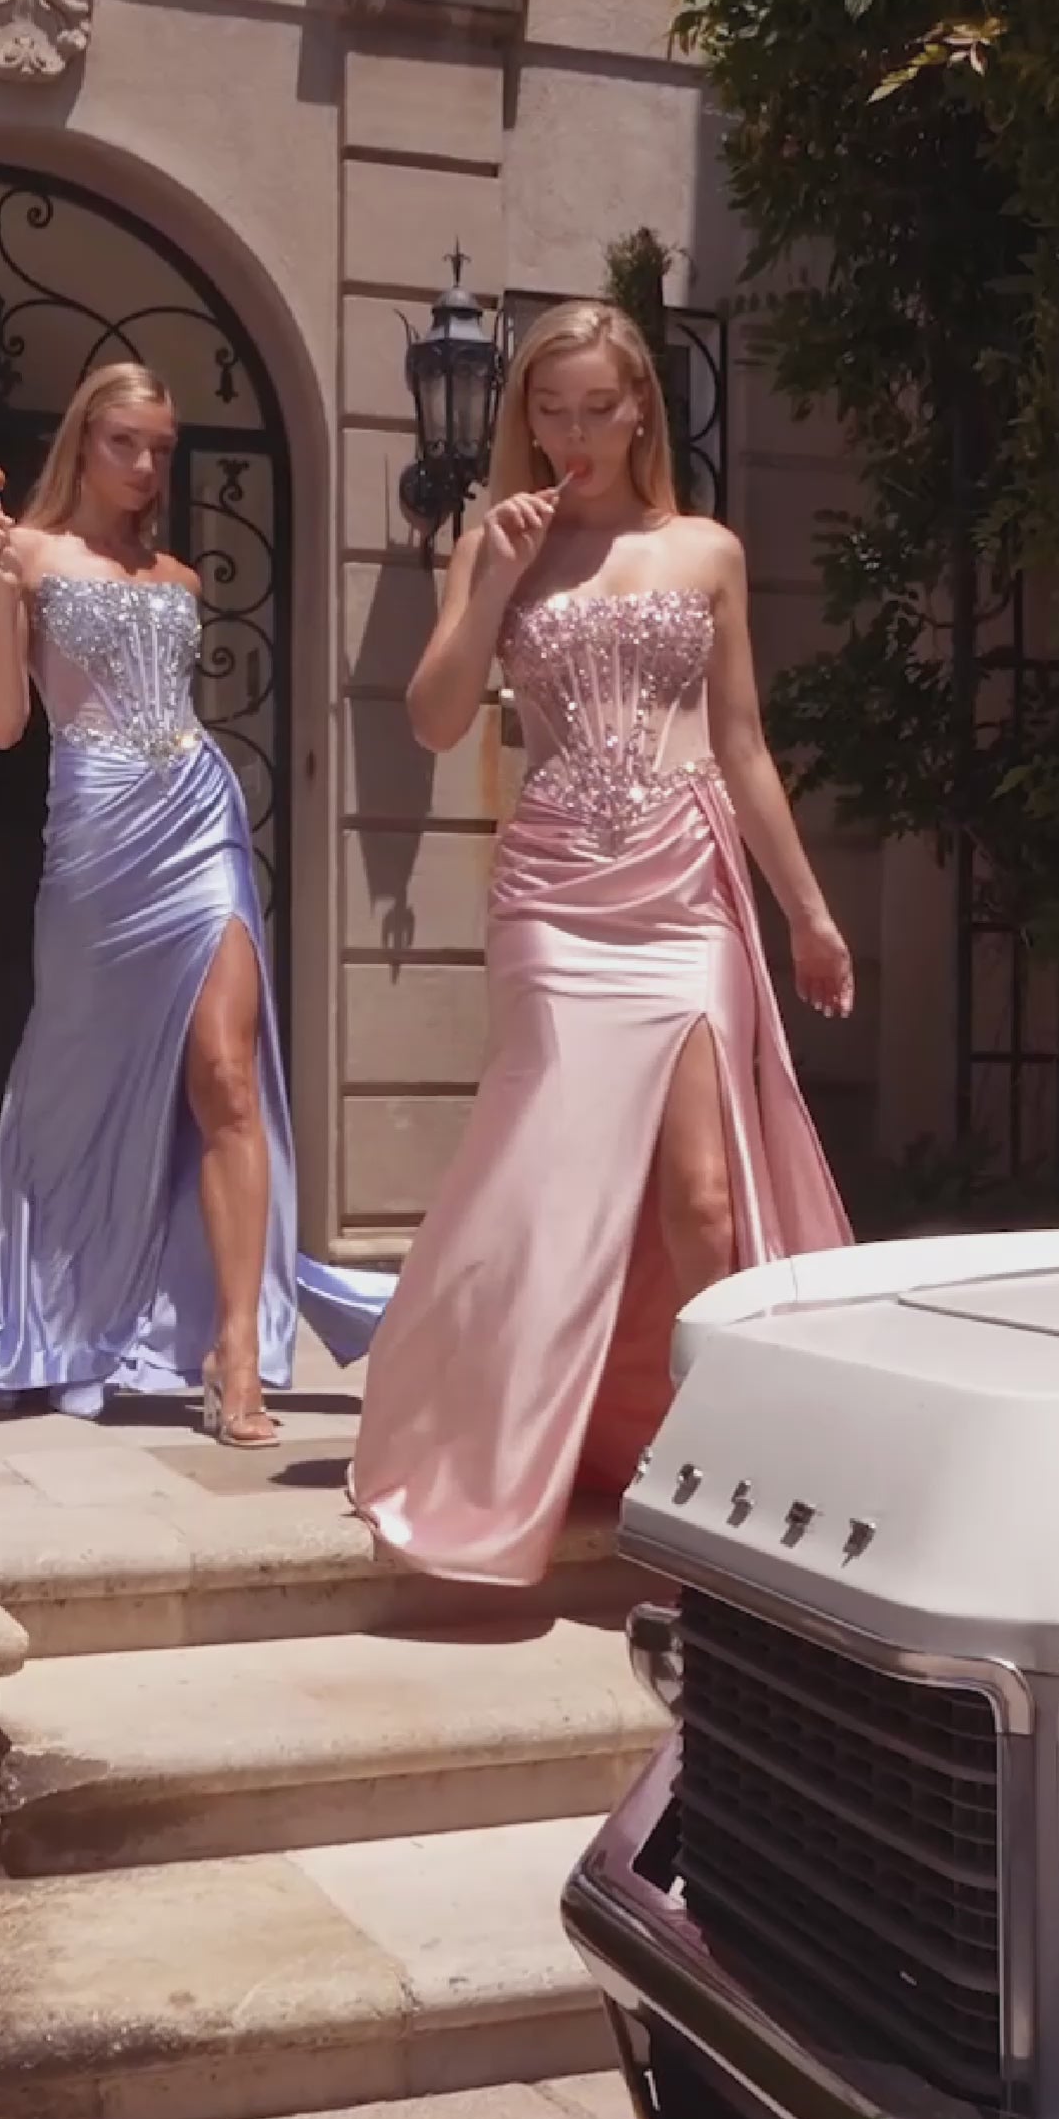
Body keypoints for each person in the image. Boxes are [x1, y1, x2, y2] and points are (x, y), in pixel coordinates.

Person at [349, 299, 854, 1586]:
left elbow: (742, 746)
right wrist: (494, 581)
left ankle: (711, 1465)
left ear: (641, 412)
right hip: (556, 898)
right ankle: (487, 1428)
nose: (572, 433)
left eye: (596, 408)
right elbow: (434, 719)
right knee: (545, 1186)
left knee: (706, 1196)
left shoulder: (707, 550)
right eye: (549, 410)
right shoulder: (494, 543)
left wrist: (805, 910)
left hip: (686, 888)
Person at [0, 361, 298, 1444]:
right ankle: (49, 1309)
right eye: (124, 444)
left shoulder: (180, 578)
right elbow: (3, 722)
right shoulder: (27, 554)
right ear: (83, 442)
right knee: (72, 1082)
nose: (145, 467)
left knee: (226, 1072)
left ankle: (237, 1353)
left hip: (199, 816)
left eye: (161, 449)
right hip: (97, 835)